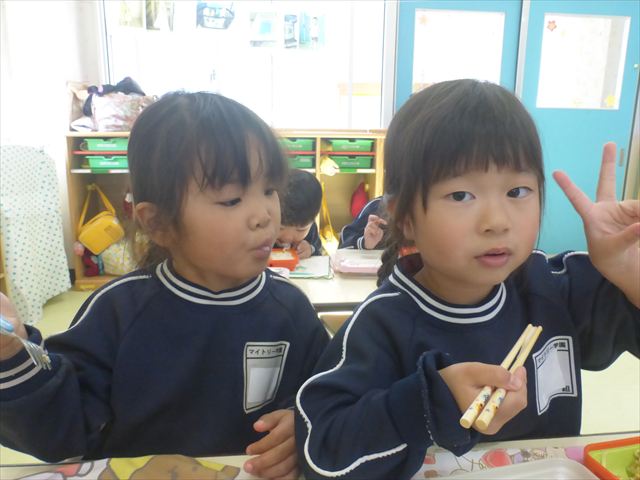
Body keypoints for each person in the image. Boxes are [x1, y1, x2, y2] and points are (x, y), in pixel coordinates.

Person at [294, 79, 640, 480]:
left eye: (518, 191)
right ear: (404, 218)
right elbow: (322, 453)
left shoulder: (556, 288)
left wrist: (631, 280)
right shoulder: (384, 323)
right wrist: (427, 403)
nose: (497, 221)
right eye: (461, 196)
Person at [0, 92, 329, 479]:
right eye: (232, 199)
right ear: (158, 223)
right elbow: (61, 435)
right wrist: (12, 357)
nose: (264, 214)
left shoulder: (291, 309)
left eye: (270, 189)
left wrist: (301, 422)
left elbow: (328, 392)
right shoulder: (117, 311)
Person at [274, 169, 323, 259]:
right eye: (280, 228)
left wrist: (311, 249)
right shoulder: (259, 228)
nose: (287, 238)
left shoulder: (308, 223)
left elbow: (318, 251)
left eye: (300, 230)